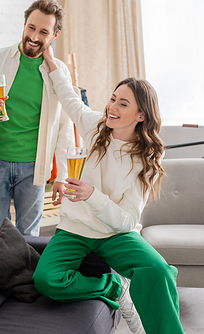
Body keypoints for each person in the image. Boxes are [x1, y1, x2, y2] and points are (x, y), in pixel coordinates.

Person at [32, 46, 184, 334]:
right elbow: (68, 97)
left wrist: (93, 195)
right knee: (47, 280)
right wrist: (51, 61)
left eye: (123, 104)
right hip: (75, 229)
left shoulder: (144, 158)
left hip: (116, 233)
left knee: (159, 271)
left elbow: (126, 220)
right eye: (113, 99)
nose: (112, 107)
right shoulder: (94, 127)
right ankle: (115, 287)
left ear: (141, 115)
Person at [0, 0, 74, 236]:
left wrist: (63, 177)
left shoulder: (59, 72)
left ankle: (25, 275)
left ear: (55, 35)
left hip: (34, 167)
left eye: (43, 32)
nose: (34, 36)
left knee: (28, 236)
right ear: (24, 24)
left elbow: (65, 128)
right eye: (31, 27)